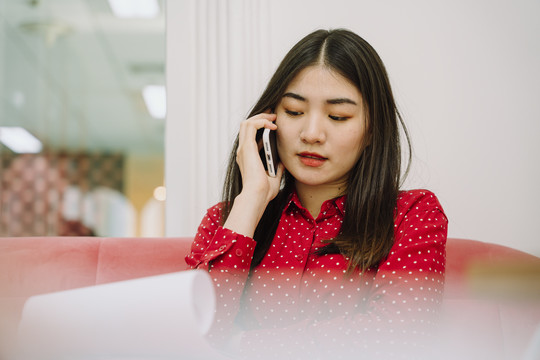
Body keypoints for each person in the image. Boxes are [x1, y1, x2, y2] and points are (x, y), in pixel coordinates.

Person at [186, 28, 447, 359]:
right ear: (269, 120)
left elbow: (398, 336)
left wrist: (243, 345)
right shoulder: (227, 220)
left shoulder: (413, 214)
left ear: (372, 130)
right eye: (294, 111)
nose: (311, 134)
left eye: (338, 116)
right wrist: (251, 197)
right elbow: (193, 335)